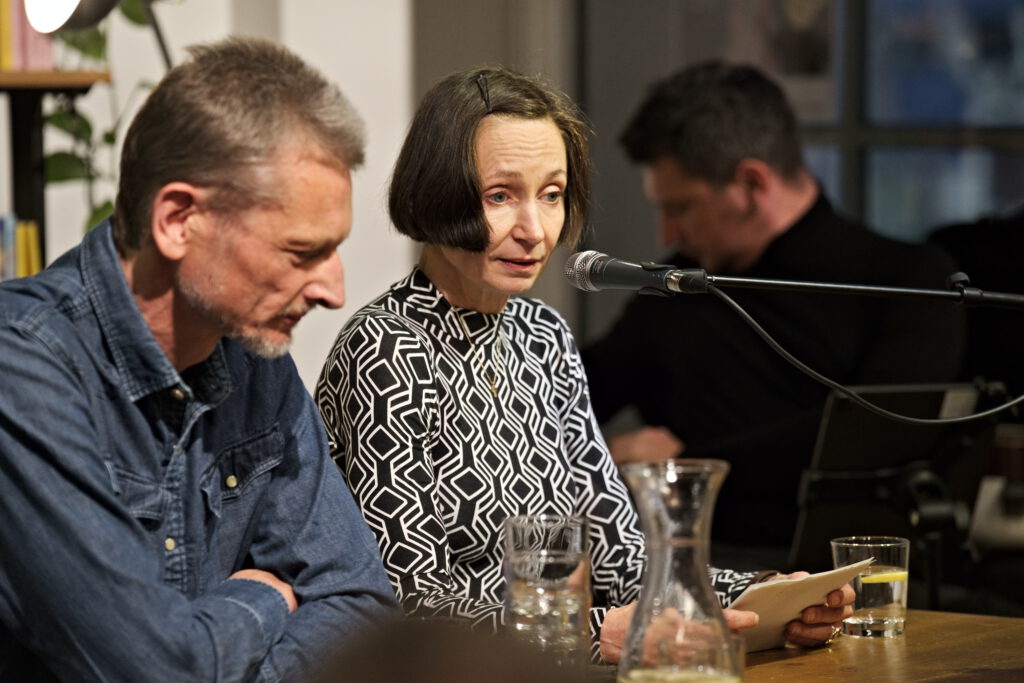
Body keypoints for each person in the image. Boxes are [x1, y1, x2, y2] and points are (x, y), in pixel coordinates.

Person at [315, 65, 852, 663]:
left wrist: (759, 597)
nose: (534, 230)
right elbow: (409, 604)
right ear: (436, 192)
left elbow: (623, 557)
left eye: (551, 195)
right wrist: (591, 632)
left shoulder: (542, 336)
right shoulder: (386, 349)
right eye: (500, 196)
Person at [0, 37, 399, 681]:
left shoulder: (251, 348)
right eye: (301, 252)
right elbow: (150, 668)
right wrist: (264, 597)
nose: (335, 290)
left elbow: (359, 602)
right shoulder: (23, 366)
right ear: (179, 219)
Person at [581, 61, 967, 565]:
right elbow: (579, 387)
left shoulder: (911, 279)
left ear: (751, 185)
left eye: (681, 207)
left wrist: (684, 463)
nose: (666, 233)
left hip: (854, 568)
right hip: (699, 565)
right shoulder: (676, 287)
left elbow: (872, 437)